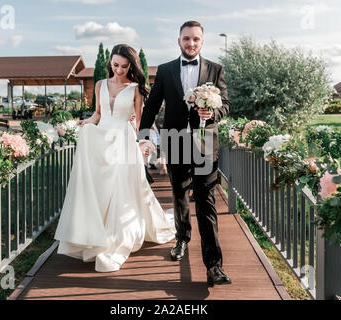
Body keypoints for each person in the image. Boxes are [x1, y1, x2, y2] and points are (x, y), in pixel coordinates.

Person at [54, 44, 175, 272]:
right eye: (115, 64)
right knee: (102, 187)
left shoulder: (136, 88)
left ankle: (116, 237)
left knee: (122, 189)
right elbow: (98, 114)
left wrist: (143, 143)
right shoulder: (100, 84)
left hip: (124, 140)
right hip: (101, 139)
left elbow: (140, 121)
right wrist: (84, 123)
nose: (119, 70)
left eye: (124, 66)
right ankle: (94, 232)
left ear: (131, 66)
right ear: (110, 62)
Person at [138, 21, 232, 286]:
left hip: (205, 143)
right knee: (180, 195)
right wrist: (144, 137)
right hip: (175, 141)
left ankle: (214, 265)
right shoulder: (166, 70)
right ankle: (182, 239)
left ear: (202, 41)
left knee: (206, 201)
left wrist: (213, 112)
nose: (191, 43)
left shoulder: (216, 69)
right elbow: (152, 106)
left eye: (196, 39)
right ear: (178, 40)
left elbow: (226, 104)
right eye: (187, 39)